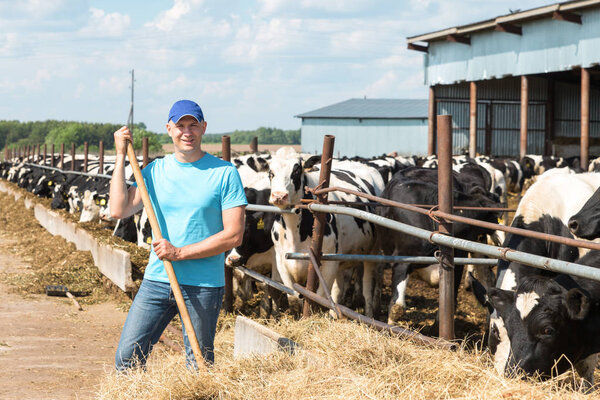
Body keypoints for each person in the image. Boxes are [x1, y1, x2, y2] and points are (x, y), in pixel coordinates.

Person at [110, 99, 247, 370]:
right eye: (180, 125)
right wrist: (120, 156)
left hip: (203, 286)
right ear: (169, 129)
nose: (187, 132)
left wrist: (180, 253)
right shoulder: (154, 172)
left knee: (198, 364)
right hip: (157, 280)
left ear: (203, 127)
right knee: (127, 358)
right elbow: (118, 209)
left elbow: (234, 236)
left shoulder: (224, 173)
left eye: (193, 125)